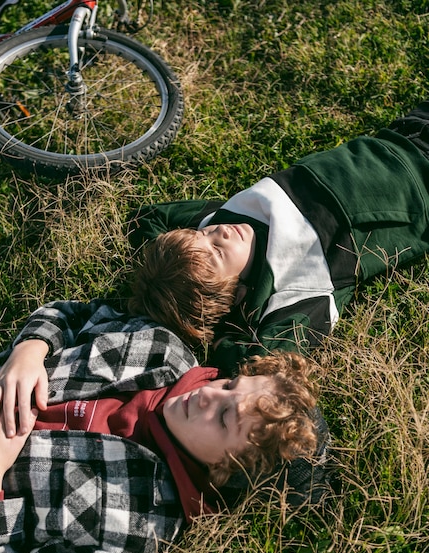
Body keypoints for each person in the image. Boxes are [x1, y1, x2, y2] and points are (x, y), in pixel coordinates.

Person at [0, 298, 330, 553]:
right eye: (230, 385)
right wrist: (29, 352)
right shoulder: (164, 350)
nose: (207, 393)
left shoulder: (133, 533)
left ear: (227, 471)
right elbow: (73, 315)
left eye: (225, 418)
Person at [127, 101, 429, 375]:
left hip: (404, 132)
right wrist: (223, 337)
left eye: (201, 234)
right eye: (217, 252)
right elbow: (266, 366)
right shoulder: (298, 287)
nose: (218, 233)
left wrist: (166, 262)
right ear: (235, 293)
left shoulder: (225, 222)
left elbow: (146, 219)